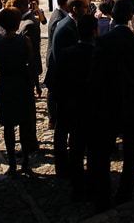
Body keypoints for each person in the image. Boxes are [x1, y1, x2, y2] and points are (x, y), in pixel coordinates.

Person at [87, 0, 134, 212]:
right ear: (131, 17)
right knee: (131, 150)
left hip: (107, 105)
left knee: (102, 151)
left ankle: (102, 195)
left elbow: (95, 77)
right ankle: (125, 192)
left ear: (112, 16)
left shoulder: (103, 43)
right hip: (133, 104)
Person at [0, 7, 40, 176]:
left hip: (4, 84)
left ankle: (11, 163)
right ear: (18, 23)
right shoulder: (25, 42)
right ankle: (25, 161)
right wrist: (35, 85)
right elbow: (32, 65)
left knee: (8, 127)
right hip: (22, 84)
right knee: (24, 126)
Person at [45, 0, 89, 177]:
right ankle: (63, 166)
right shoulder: (66, 29)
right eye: (86, 7)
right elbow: (62, 61)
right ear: (74, 9)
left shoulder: (71, 25)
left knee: (65, 128)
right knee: (63, 129)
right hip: (66, 88)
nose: (89, 10)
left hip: (67, 87)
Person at [56, 13, 98, 202]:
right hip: (95, 110)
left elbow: (59, 83)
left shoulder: (66, 54)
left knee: (75, 149)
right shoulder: (100, 55)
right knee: (95, 149)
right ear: (95, 32)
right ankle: (94, 185)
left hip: (72, 108)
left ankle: (77, 187)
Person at [43, 0, 72, 131]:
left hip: (56, 59)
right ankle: (53, 118)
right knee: (53, 91)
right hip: (56, 60)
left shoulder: (60, 15)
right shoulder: (59, 19)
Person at [11, 0, 42, 97]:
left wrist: (36, 85)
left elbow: (31, 55)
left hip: (25, 74)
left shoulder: (29, 24)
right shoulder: (23, 20)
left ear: (21, 7)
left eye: (13, 5)